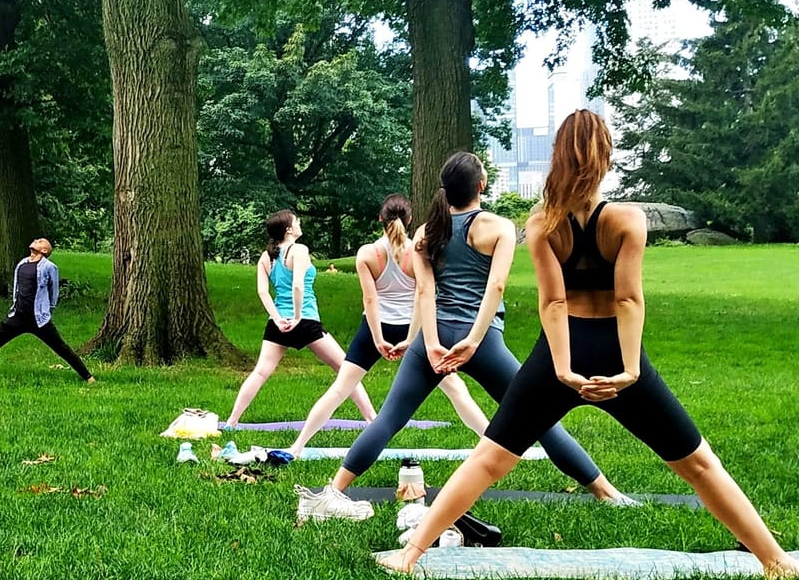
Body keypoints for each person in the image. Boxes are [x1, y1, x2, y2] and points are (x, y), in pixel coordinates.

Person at [379, 110, 799, 578]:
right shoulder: (626, 219)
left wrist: (563, 369)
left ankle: (409, 554)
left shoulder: (541, 223)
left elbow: (554, 304)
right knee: (698, 463)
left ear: (557, 157)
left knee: (490, 458)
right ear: (606, 158)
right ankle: (775, 561)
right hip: (615, 349)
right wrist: (630, 369)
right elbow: (628, 298)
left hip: (562, 350)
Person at [296, 151, 633, 522]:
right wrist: (473, 340)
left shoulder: (426, 232)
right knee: (539, 418)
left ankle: (331, 493)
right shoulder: (499, 227)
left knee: (389, 418)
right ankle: (605, 492)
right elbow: (496, 286)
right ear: (481, 186)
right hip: (482, 341)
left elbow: (424, 293)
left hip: (434, 341)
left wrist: (433, 342)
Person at [286, 194, 492, 459]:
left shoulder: (367, 253)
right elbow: (423, 294)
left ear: (380, 219)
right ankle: (491, 443)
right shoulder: (419, 248)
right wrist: (410, 338)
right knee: (454, 388)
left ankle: (297, 446)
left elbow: (370, 299)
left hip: (377, 328)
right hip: (414, 328)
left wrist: (378, 338)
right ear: (409, 220)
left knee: (340, 388)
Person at [223, 210, 376, 428]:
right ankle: (372, 419)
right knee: (346, 369)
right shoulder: (299, 250)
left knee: (260, 372)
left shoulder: (267, 257)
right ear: (288, 229)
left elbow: (263, 293)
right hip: (305, 320)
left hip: (278, 324)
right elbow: (297, 285)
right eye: (296, 221)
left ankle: (232, 421)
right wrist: (296, 317)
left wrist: (277, 319)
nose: (299, 223)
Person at [0, 238, 95, 383]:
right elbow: (17, 288)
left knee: (61, 348)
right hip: (17, 317)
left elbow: (53, 293)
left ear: (45, 250)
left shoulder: (49, 267)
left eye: (41, 241)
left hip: (39, 320)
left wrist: (47, 312)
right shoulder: (22, 264)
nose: (36, 240)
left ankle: (88, 377)